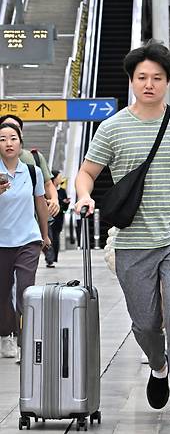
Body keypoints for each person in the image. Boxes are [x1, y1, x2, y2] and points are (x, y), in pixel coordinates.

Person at [74, 40, 170, 427]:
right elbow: (87, 173)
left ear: (168, 81)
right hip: (132, 241)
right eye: (142, 77)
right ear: (131, 81)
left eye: (157, 77)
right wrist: (84, 196)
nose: (149, 84)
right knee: (143, 323)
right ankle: (158, 365)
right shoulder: (112, 128)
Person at [0, 123, 51, 363]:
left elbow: (40, 203)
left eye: (13, 138)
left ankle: (25, 342)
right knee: (2, 294)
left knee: (25, 291)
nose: (8, 143)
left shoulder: (33, 172)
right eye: (2, 139)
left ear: (20, 143)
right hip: (1, 242)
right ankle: (6, 334)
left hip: (28, 240)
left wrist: (45, 234)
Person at [0, 114, 59, 218]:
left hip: (32, 224)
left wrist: (54, 199)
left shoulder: (35, 157)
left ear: (20, 134)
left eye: (15, 127)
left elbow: (48, 184)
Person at [45, 170, 70, 267]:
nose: (61, 179)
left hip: (59, 218)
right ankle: (50, 259)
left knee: (56, 238)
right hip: (49, 217)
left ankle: (53, 258)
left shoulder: (62, 191)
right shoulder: (47, 190)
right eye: (59, 177)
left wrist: (65, 203)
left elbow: (64, 208)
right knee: (50, 238)